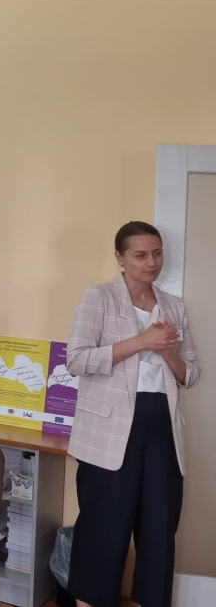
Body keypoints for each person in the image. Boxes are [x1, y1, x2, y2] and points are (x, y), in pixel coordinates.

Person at [65, 222, 201, 607]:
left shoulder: (174, 306)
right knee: (103, 529)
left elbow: (191, 374)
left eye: (157, 253)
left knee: (159, 529)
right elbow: (76, 360)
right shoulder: (99, 296)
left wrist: (168, 353)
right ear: (120, 258)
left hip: (161, 428)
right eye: (140, 255)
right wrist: (142, 341)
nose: (151, 262)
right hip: (109, 429)